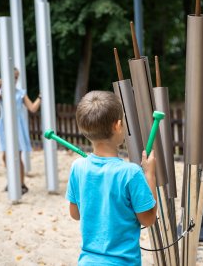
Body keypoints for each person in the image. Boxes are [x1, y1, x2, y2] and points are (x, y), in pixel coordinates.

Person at [65, 90, 157, 265]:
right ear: (118, 125)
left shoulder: (78, 167)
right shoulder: (131, 173)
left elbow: (75, 214)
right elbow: (148, 218)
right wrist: (150, 174)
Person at [0, 68, 41, 195]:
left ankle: (22, 184)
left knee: (16, 156)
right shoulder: (1, 92)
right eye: (12, 77)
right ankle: (14, 179)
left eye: (16, 77)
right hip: (4, 127)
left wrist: (40, 97)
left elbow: (33, 108)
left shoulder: (20, 93)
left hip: (17, 126)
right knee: (5, 156)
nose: (14, 79)